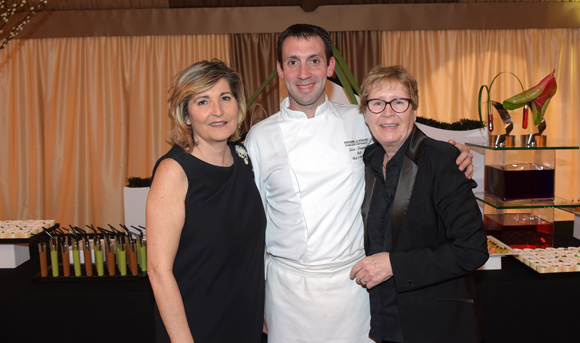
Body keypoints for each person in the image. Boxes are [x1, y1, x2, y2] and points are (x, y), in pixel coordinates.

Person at [244, 24, 474, 343]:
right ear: (280, 70)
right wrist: (259, 298)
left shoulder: (358, 119)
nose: (304, 72)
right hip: (289, 291)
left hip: (355, 285)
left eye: (314, 60)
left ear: (330, 66)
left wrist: (455, 152)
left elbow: (406, 138)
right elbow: (252, 227)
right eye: (293, 62)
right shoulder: (260, 137)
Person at [349, 65, 488, 343]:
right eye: (377, 103)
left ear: (414, 109)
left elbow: (472, 251)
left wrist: (395, 266)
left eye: (399, 102)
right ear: (365, 113)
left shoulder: (442, 159)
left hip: (435, 325)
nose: (387, 112)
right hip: (383, 317)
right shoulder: (369, 159)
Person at [146, 60, 266, 343]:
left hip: (244, 320)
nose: (218, 111)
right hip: (195, 325)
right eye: (203, 101)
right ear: (186, 115)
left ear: (238, 105)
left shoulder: (245, 160)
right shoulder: (174, 172)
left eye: (225, 98)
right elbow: (158, 271)